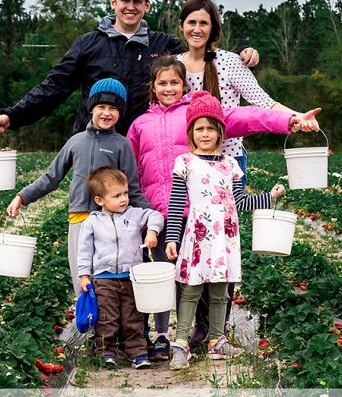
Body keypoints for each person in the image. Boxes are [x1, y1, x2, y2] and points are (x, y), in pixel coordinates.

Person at [127, 56, 321, 359]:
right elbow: (130, 169)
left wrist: (290, 120)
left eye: (174, 82)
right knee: (165, 279)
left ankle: (204, 335)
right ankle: (164, 336)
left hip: (198, 218)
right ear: (152, 87)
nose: (168, 88)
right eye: (162, 83)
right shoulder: (140, 124)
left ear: (184, 84)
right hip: (157, 216)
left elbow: (249, 117)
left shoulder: (196, 116)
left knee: (202, 282)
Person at [0, 0, 260, 138]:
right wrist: (13, 116)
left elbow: (199, 50)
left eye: (137, 1)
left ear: (146, 6)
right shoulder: (88, 44)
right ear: (113, 3)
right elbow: (54, 87)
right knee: (92, 219)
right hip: (94, 140)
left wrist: (240, 54)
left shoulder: (162, 45)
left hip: (141, 144)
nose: (130, 7)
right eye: (125, 0)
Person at [165, 92, 286, 368]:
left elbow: (240, 201)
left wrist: (270, 196)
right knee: (191, 289)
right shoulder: (185, 163)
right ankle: (181, 343)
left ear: (221, 132)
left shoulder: (230, 165)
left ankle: (217, 341)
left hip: (224, 237)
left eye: (211, 128)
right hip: (197, 236)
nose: (205, 134)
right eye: (199, 129)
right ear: (191, 133)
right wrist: (172, 237)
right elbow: (175, 206)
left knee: (221, 292)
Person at [6, 78, 149, 295]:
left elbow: (133, 190)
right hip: (79, 220)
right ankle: (86, 325)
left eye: (113, 108)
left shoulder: (122, 145)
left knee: (107, 283)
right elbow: (51, 177)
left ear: (120, 112)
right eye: (101, 106)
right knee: (81, 278)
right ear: (91, 108)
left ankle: (108, 326)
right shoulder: (76, 141)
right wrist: (22, 197)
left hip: (110, 224)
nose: (106, 113)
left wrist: (152, 219)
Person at [177, 0, 296, 187]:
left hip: (228, 159)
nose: (197, 29)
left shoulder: (229, 62)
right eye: (192, 22)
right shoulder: (175, 65)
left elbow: (264, 102)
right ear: (182, 26)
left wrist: (297, 117)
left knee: (228, 216)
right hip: (188, 163)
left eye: (204, 23)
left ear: (213, 28)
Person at [77, 166, 164, 369]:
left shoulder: (134, 214)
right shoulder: (92, 222)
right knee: (107, 318)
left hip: (132, 277)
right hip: (104, 278)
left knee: (133, 318)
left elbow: (156, 216)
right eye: (116, 196)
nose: (124, 199)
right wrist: (84, 275)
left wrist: (152, 232)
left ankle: (138, 352)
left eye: (125, 193)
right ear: (100, 200)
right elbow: (84, 250)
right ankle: (106, 351)